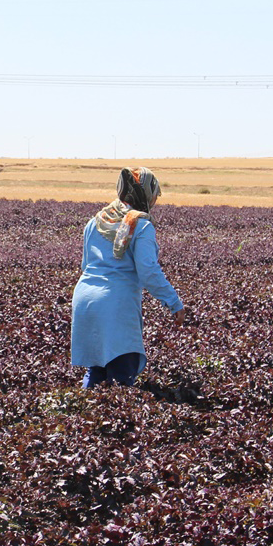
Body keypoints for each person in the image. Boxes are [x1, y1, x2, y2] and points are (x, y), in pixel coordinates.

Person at [71, 166, 186, 388]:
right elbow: (148, 270)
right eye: (154, 194)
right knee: (121, 376)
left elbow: (85, 265)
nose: (155, 200)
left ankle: (85, 407)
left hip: (85, 300)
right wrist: (173, 302)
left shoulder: (96, 221)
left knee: (96, 372)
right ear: (145, 194)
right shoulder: (141, 226)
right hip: (114, 304)